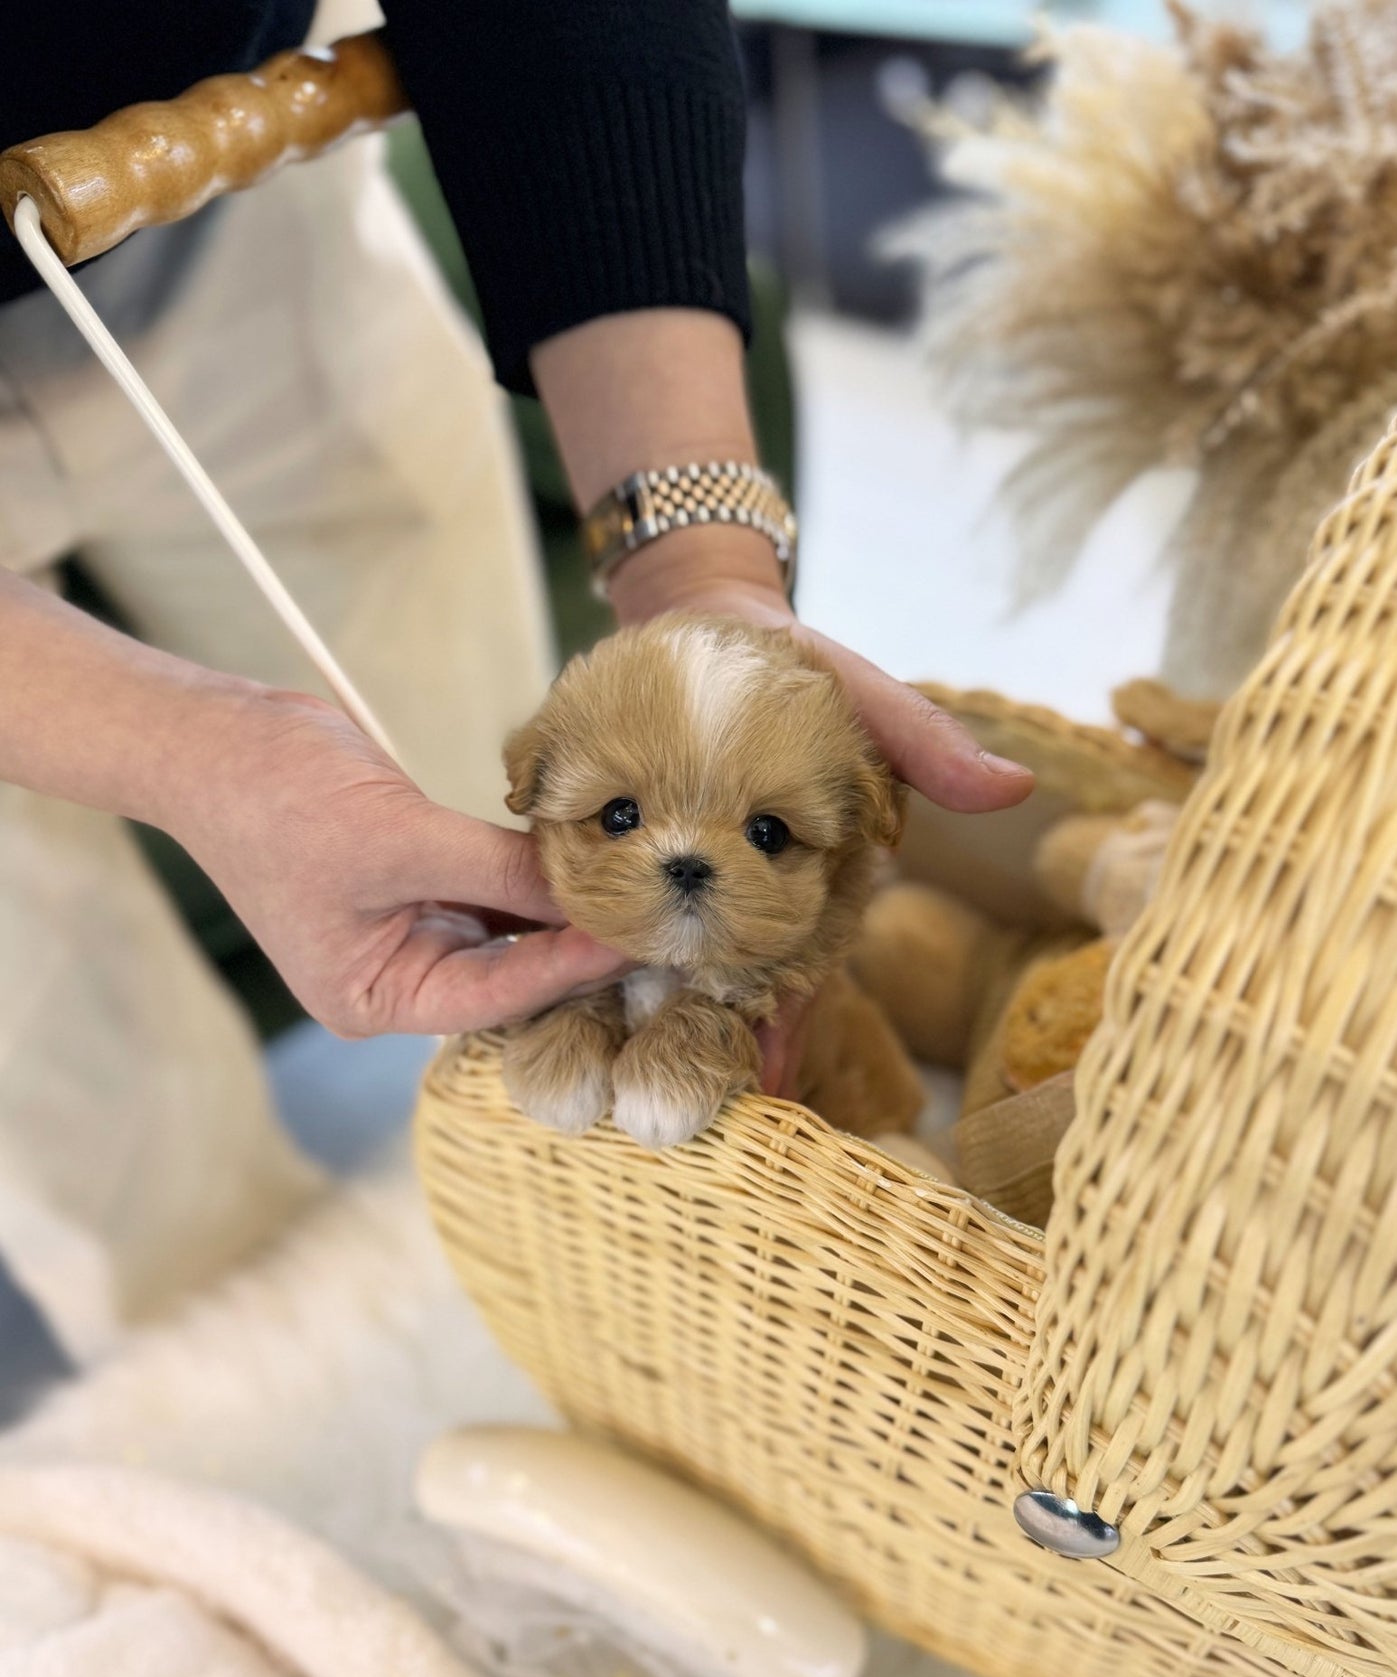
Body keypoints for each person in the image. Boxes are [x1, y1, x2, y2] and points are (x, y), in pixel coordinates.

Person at [0, 1, 1031, 1355]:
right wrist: (194, 751)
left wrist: (697, 560)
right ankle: (234, 1355)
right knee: (59, 1031)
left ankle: (555, 1264)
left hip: (221, 187)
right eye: (612, 818)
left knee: (443, 746)